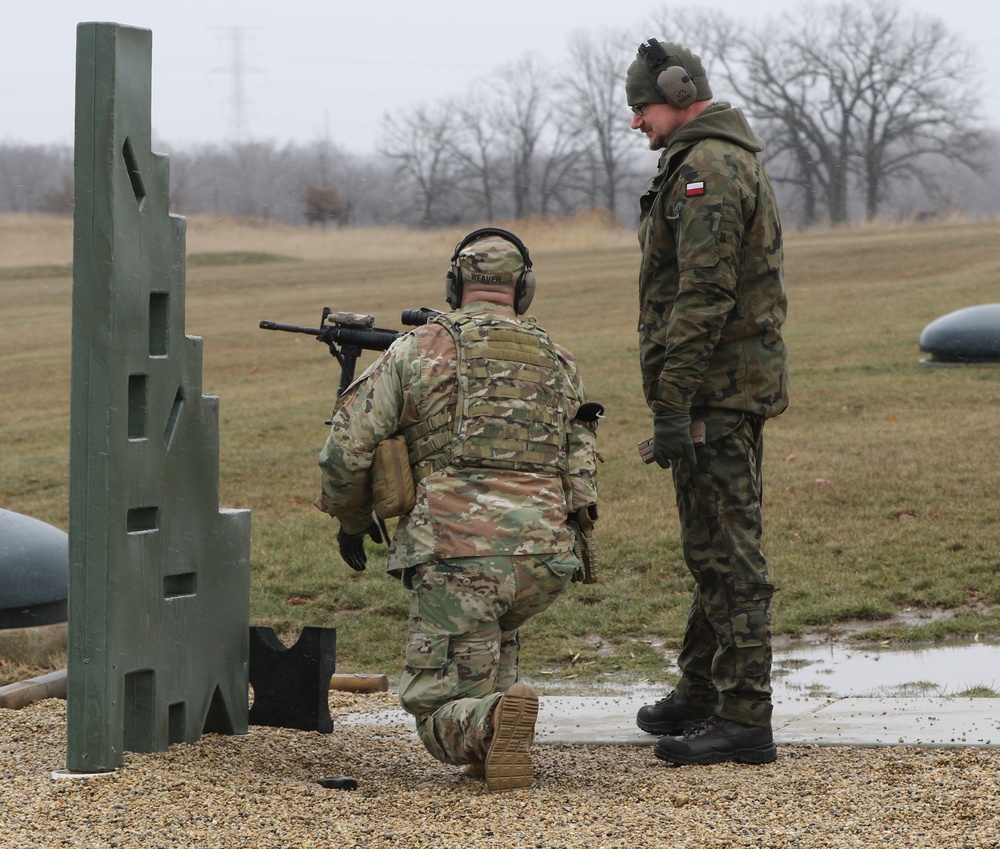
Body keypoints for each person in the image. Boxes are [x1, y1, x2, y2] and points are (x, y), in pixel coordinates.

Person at [314, 228, 601, 791]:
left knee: (436, 706)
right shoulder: (559, 359)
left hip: (458, 554)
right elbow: (581, 464)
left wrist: (352, 519)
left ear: (453, 285)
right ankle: (498, 736)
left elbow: (344, 451)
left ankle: (489, 724)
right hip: (545, 557)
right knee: (491, 644)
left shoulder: (417, 348)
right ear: (524, 289)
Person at [624, 38, 789, 766]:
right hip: (718, 388)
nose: (636, 122)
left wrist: (673, 400)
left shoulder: (710, 169)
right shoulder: (705, 161)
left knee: (728, 549)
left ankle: (746, 716)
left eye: (642, 107)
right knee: (708, 542)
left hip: (714, 392)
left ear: (679, 93)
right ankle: (702, 690)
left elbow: (704, 295)